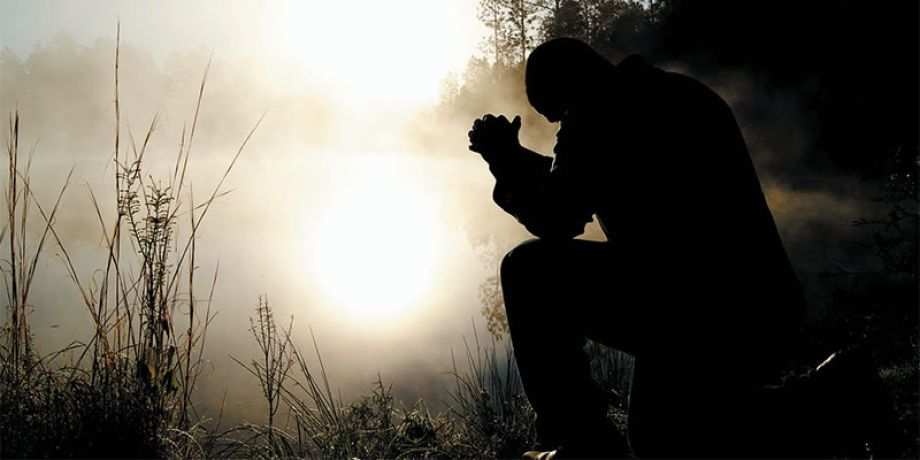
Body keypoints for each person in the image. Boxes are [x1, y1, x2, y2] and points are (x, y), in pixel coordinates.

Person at [468, 38, 805, 458]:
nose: (560, 128)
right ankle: (832, 396)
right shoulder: (676, 93)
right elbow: (584, 177)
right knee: (663, 435)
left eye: (559, 116)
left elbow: (559, 218)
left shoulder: (596, 117)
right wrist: (517, 157)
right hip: (760, 305)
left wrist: (503, 162)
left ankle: (580, 441)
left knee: (528, 270)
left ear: (571, 88)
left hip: (690, 308)